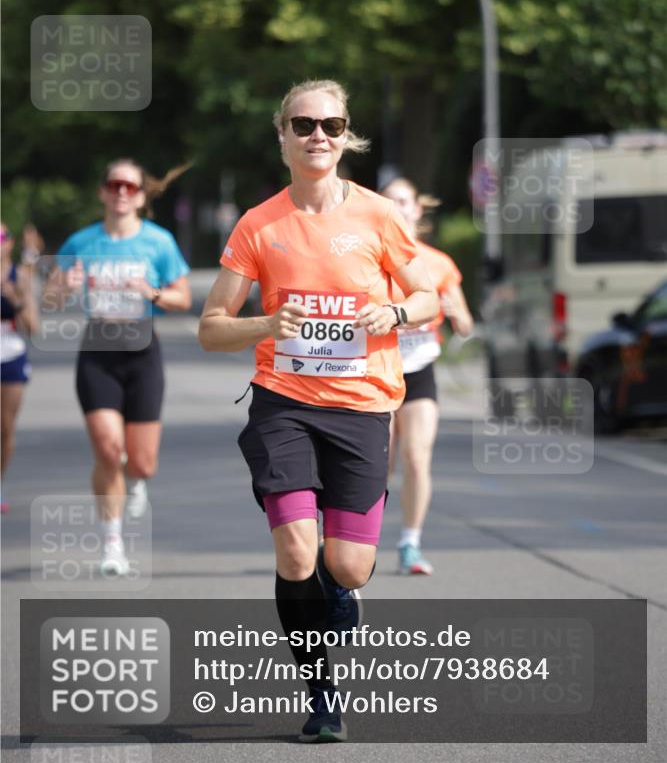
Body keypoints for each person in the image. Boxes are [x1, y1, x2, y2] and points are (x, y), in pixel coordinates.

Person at [199, 80, 438, 743]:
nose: (317, 136)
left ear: (346, 134)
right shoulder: (259, 224)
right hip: (283, 405)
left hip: (362, 409)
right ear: (281, 135)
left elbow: (428, 299)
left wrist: (391, 311)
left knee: (348, 567)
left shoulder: (376, 215)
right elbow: (211, 327)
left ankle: (343, 583)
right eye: (303, 124)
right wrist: (267, 324)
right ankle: (320, 693)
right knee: (298, 554)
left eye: (330, 125)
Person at [43, 160, 191, 575]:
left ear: (142, 195)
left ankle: (137, 480)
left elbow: (181, 299)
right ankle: (112, 544)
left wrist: (152, 292)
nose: (122, 191)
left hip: (143, 352)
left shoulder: (158, 242)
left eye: (130, 185)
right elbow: (50, 298)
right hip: (98, 350)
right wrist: (64, 289)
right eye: (114, 184)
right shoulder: (81, 242)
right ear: (102, 191)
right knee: (108, 448)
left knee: (142, 462)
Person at [381, 177, 474, 576]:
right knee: (376, 465)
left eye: (404, 201)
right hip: (376, 374)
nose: (398, 207)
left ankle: (409, 543)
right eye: (389, 201)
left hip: (419, 371)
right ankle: (349, 542)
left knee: (416, 458)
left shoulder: (438, 263)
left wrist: (457, 314)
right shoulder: (369, 259)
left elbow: (467, 325)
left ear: (418, 209)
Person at [1, 223, 40, 512]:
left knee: (4, 428)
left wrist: (14, 298)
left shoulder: (19, 277)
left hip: (10, 354)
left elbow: (33, 326)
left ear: (9, 242)